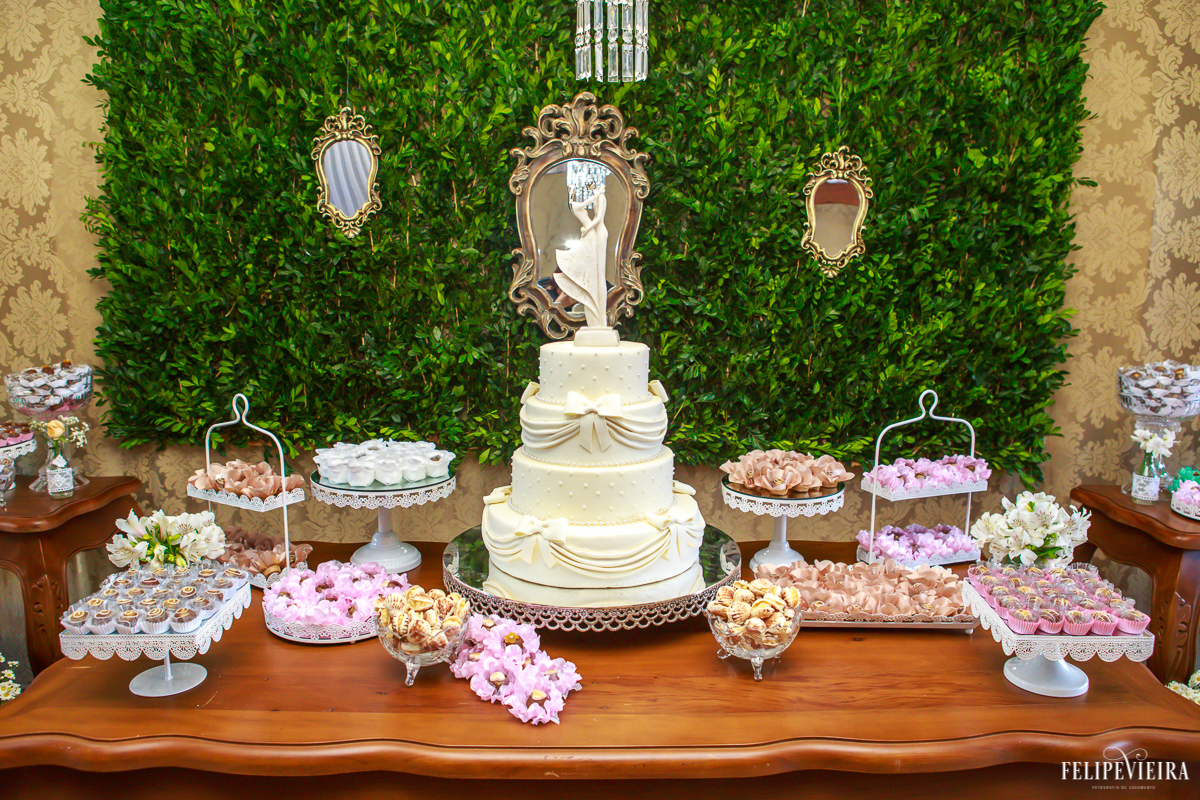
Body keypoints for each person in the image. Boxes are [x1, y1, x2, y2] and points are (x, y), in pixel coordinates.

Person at [552, 182, 608, 328]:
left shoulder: (600, 198)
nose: (589, 186)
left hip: (595, 231)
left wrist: (587, 229)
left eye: (590, 184)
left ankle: (599, 319)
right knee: (592, 269)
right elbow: (590, 202)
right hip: (591, 231)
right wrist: (599, 190)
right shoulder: (576, 205)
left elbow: (598, 218)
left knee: (597, 271)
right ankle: (596, 317)